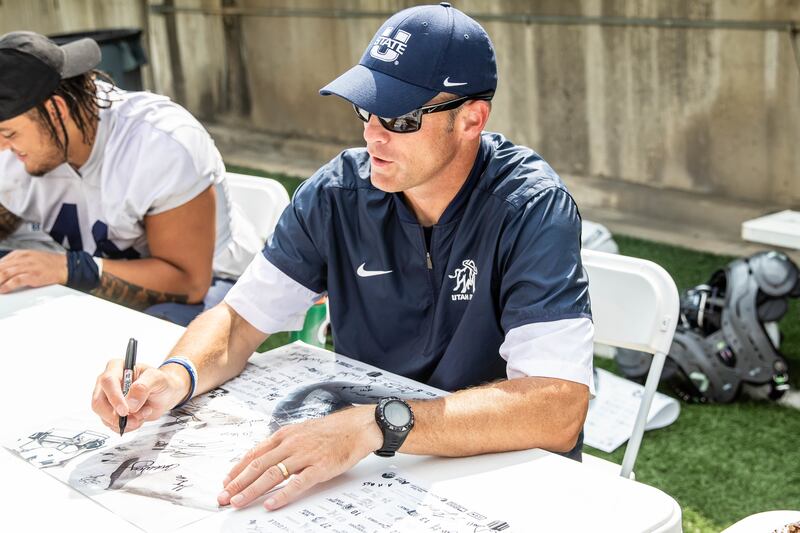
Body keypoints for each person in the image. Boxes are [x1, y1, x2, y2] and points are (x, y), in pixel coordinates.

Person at [91, 2, 594, 512]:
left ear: (471, 119)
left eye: (400, 117)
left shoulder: (530, 207)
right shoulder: (337, 193)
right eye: (366, 108)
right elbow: (240, 321)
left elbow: (557, 408)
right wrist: (175, 377)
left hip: (494, 475)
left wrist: (378, 424)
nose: (372, 134)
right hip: (371, 466)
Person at [0, 31, 261, 324]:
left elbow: (188, 284)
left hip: (212, 287)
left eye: (8, 133)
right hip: (100, 281)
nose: (2, 148)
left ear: (56, 110)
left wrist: (71, 269)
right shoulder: (24, 144)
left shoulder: (161, 143)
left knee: (140, 357)